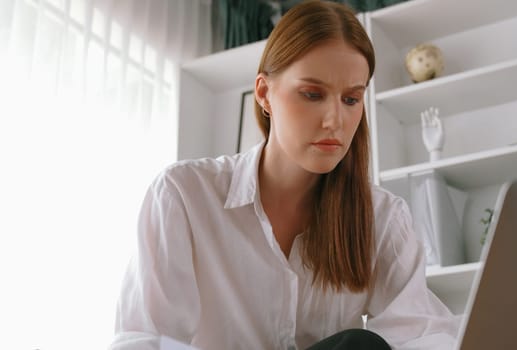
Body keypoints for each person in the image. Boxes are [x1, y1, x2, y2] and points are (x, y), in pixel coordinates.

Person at [110, 1, 460, 349]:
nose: (334, 121)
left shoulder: (381, 218)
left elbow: (427, 334)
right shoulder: (182, 195)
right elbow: (145, 339)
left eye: (351, 100)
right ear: (264, 93)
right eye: (312, 94)